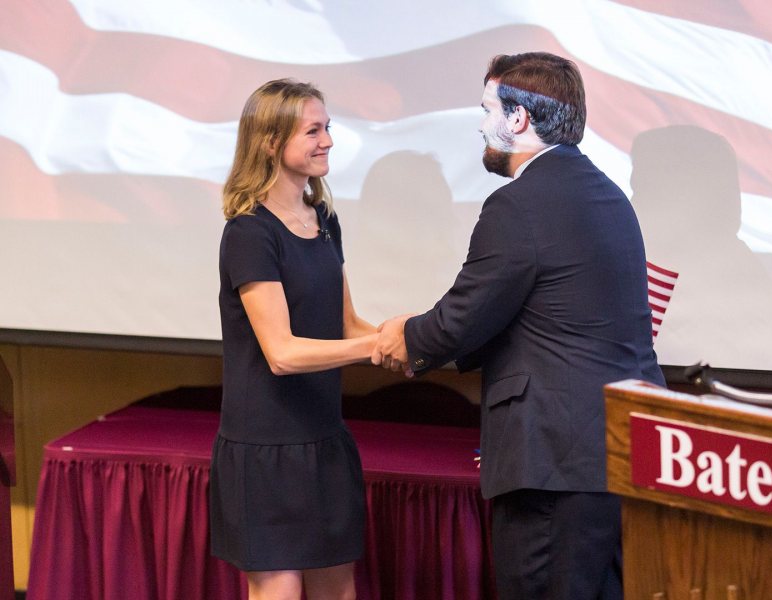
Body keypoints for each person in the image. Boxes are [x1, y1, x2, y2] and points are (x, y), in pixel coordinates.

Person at [373, 52, 665, 599]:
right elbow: (536, 318)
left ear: (519, 120)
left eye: (488, 110)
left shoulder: (519, 204)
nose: (481, 124)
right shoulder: (607, 195)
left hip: (554, 463)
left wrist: (404, 339)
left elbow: (463, 317)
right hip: (615, 452)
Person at [210, 79, 376, 600]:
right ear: (267, 141)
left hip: (324, 442)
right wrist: (379, 346)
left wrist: (419, 337)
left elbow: (349, 326)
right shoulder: (248, 233)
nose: (327, 140)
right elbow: (281, 353)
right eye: (313, 130)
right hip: (266, 455)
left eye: (328, 127)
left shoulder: (324, 218)